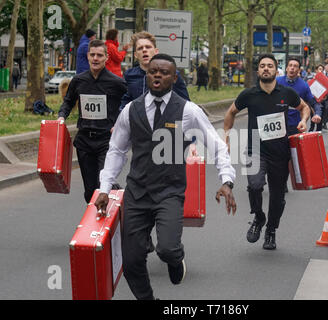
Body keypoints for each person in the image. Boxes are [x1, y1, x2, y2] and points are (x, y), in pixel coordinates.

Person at [95, 53, 236, 300]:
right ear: (147, 75)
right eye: (153, 71)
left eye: (164, 72)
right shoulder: (131, 110)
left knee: (168, 249)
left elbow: (216, 146)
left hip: (169, 192)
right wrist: (105, 188)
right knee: (131, 261)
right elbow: (117, 150)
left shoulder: (189, 111)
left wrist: (226, 180)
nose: (157, 75)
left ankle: (176, 259)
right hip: (137, 193)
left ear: (174, 77)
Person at [223, 54, 311, 250]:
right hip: (255, 147)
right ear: (258, 71)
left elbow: (305, 108)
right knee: (254, 186)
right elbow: (231, 112)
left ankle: (271, 230)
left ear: (276, 70)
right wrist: (226, 137)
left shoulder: (286, 93)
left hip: (280, 150)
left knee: (278, 196)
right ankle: (259, 217)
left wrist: (303, 120)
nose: (265, 69)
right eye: (262, 66)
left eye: (269, 66)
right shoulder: (249, 94)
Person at [58, 39, 127, 203]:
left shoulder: (116, 82)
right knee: (90, 190)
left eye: (99, 55)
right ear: (88, 56)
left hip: (106, 140)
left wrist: (120, 122)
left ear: (106, 57)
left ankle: (112, 211)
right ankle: (94, 223)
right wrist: (62, 116)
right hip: (84, 141)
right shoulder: (79, 80)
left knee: (103, 184)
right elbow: (68, 101)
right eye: (92, 55)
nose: (95, 58)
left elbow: (128, 104)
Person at [119, 31, 189, 111]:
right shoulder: (129, 75)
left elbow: (185, 103)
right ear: (135, 55)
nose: (144, 50)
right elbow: (126, 100)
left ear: (156, 51)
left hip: (165, 119)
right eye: (140, 48)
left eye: (148, 47)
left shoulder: (172, 74)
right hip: (138, 121)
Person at [277, 58, 322, 136]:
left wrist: (317, 114)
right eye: (290, 65)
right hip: (277, 124)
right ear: (286, 68)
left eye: (295, 66)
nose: (292, 68)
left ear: (299, 70)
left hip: (295, 125)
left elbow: (314, 102)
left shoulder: (304, 85)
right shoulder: (276, 82)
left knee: (292, 148)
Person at [308, 64, 325, 132]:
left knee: (320, 115)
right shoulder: (311, 77)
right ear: (316, 70)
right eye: (319, 69)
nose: (320, 71)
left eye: (322, 69)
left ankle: (318, 130)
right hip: (312, 99)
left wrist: (325, 97)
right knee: (312, 114)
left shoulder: (325, 79)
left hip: (321, 100)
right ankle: (311, 128)